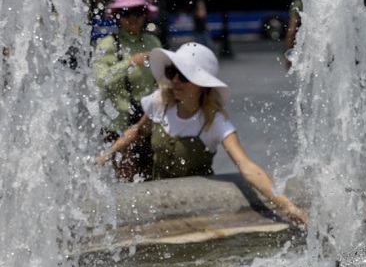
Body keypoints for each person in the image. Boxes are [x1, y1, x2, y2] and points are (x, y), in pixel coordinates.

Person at [96, 42, 308, 226]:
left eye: (184, 76)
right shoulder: (160, 103)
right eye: (171, 72)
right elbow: (138, 131)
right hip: (158, 203)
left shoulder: (214, 122)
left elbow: (246, 166)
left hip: (198, 208)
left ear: (202, 85)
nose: (175, 81)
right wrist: (107, 154)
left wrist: (287, 206)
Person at [93, 0, 163, 182]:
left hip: (148, 123)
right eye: (126, 13)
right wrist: (130, 62)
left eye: (138, 12)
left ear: (145, 14)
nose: (133, 18)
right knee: (127, 181)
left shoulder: (153, 42)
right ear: (117, 16)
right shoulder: (107, 44)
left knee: (153, 177)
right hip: (119, 126)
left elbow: (162, 81)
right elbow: (100, 79)